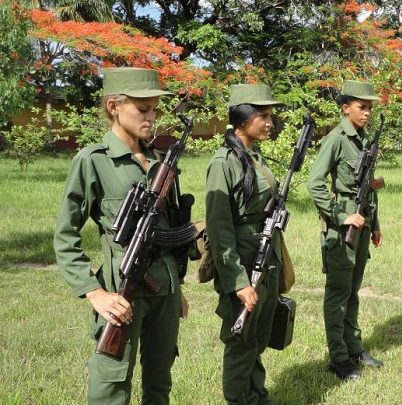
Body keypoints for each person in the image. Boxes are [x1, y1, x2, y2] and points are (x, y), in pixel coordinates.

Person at [54, 67, 190, 404]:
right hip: (123, 293)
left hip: (165, 290)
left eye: (155, 109)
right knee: (111, 385)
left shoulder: (160, 162)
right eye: (143, 109)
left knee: (160, 383)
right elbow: (65, 235)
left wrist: (178, 288)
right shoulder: (93, 161)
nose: (152, 117)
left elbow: (171, 228)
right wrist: (94, 293)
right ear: (114, 106)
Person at [205, 83, 284, 404]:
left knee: (257, 340)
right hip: (243, 266)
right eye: (263, 116)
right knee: (241, 345)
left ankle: (257, 397)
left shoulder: (254, 156)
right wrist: (238, 282)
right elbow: (219, 229)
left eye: (271, 116)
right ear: (242, 118)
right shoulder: (223, 162)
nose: (269, 123)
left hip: (266, 260)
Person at [307, 80, 386, 380]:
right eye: (361, 107)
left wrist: (375, 224)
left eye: (369, 108)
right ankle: (338, 358)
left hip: (363, 226)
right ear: (345, 108)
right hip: (342, 232)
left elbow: (367, 188)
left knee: (353, 292)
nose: (367, 113)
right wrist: (341, 216)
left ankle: (354, 348)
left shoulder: (364, 139)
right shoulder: (336, 139)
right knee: (338, 294)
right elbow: (314, 184)